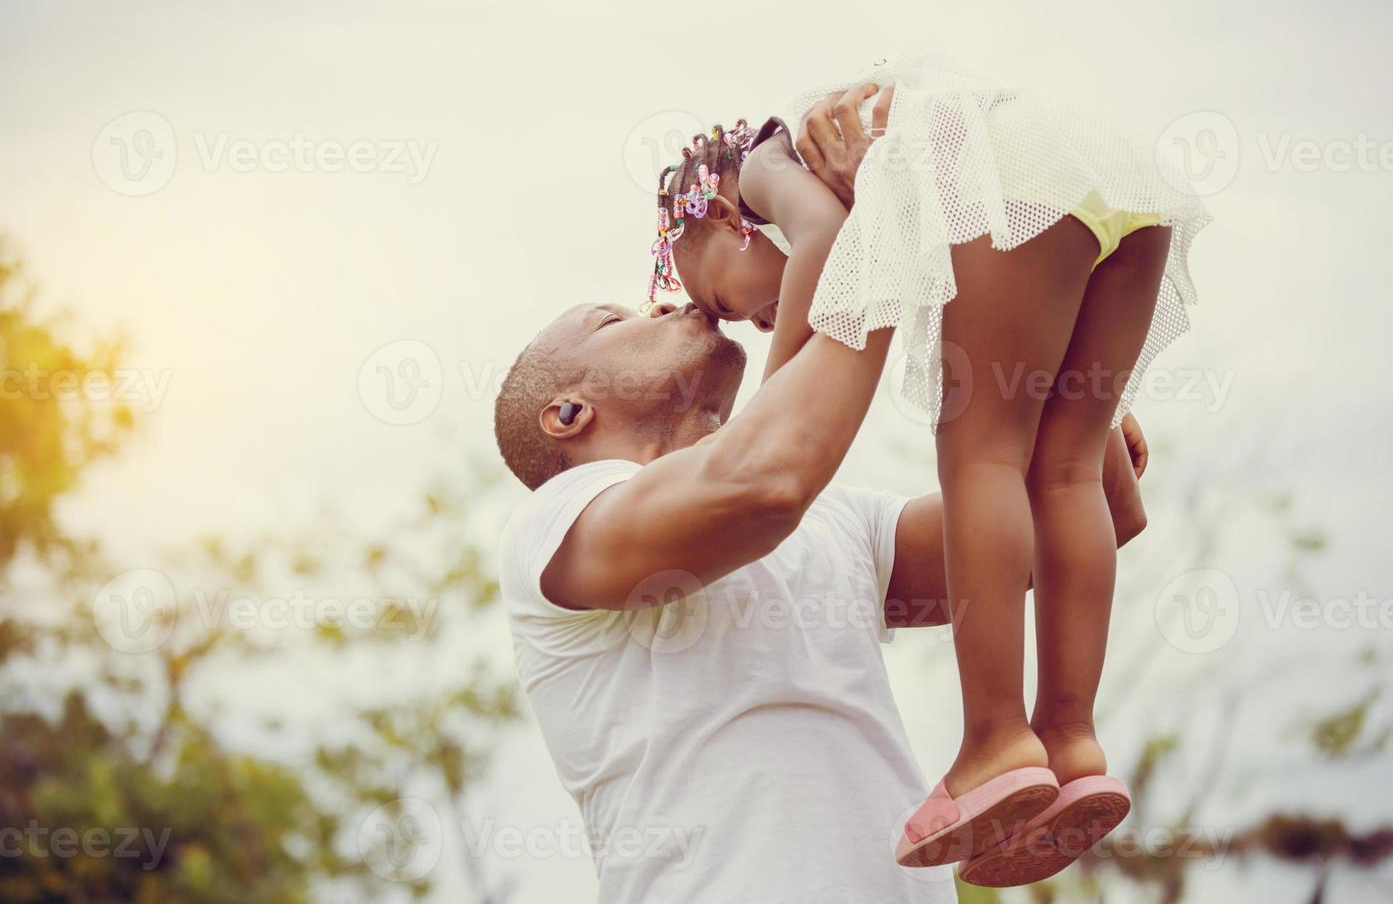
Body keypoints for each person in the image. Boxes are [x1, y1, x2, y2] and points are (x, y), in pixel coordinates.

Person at [493, 99, 1152, 903]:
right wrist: (874, 226)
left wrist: (1045, 340)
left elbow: (1089, 507)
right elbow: (767, 478)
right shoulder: (558, 524)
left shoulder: (838, 523)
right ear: (567, 414)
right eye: (614, 320)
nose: (665, 303)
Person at [643, 53, 1209, 882]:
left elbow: (824, 239)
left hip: (1011, 179)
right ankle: (1072, 742)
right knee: (1068, 470)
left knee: (982, 456)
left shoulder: (766, 163)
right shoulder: (868, 153)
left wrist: (768, 410)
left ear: (727, 216)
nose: (755, 323)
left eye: (726, 302)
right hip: (1115, 180)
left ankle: (995, 739)